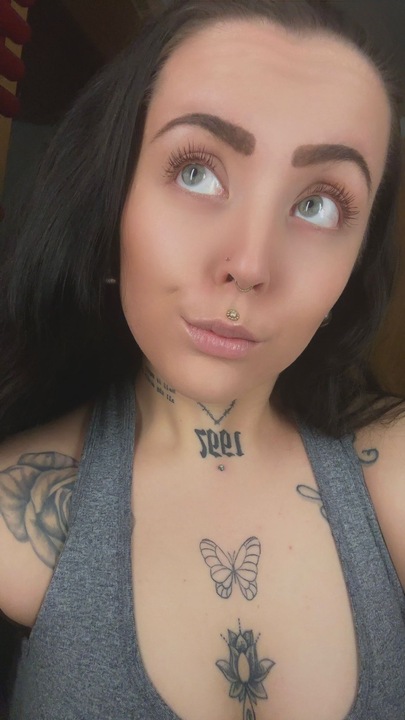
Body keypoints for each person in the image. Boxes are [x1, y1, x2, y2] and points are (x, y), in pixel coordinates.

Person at [0, 0, 404, 718]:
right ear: (113, 198)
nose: (250, 264)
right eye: (196, 172)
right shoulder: (18, 513)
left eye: (319, 205)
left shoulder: (392, 474)